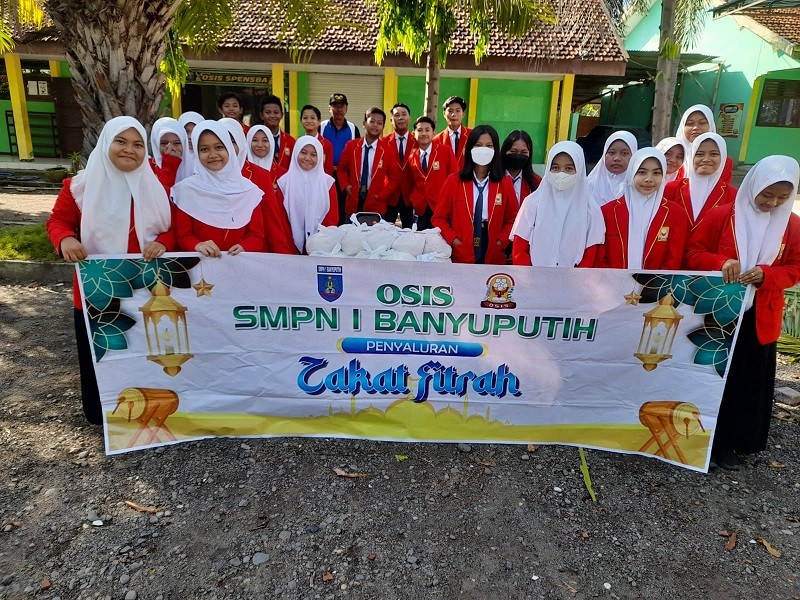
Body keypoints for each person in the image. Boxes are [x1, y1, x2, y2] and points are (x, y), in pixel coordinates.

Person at [46, 116, 173, 425]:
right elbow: (58, 221)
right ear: (106, 143)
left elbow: (173, 228)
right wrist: (65, 239)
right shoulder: (79, 187)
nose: (129, 149)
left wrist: (164, 243)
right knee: (101, 351)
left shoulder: (155, 186)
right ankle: (104, 415)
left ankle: (146, 411)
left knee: (145, 349)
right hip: (98, 291)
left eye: (138, 144)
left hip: (146, 287)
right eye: (121, 141)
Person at [685, 155, 800, 469]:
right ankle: (701, 438)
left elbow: (795, 268)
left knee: (746, 381)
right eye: (767, 194)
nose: (771, 203)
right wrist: (720, 262)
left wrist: (767, 275)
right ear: (753, 186)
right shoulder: (723, 216)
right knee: (712, 375)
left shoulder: (790, 225)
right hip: (719, 311)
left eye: (781, 197)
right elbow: (693, 253)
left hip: (759, 315)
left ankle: (731, 443)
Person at [172, 120, 265, 256]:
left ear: (229, 149)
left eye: (219, 147)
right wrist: (197, 245)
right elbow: (183, 236)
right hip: (202, 265)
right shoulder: (186, 190)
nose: (212, 154)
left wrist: (245, 246)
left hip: (240, 264)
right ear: (197, 153)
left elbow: (257, 236)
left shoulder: (249, 191)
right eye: (204, 149)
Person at [432, 125, 518, 264]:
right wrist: (454, 240)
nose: (484, 150)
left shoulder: (505, 183)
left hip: (492, 246)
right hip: (462, 245)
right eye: (478, 145)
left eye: (489, 146)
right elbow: (439, 218)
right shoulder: (454, 181)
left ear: (495, 150)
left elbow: (513, 219)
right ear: (470, 148)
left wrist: (501, 242)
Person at [511, 141, 604, 267]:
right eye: (555, 168)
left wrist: (576, 277)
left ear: (580, 171)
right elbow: (519, 249)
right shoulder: (532, 203)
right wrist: (531, 275)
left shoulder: (591, 210)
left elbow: (592, 253)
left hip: (575, 277)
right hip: (534, 275)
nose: (561, 173)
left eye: (569, 168)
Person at [596, 148, 689, 270]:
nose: (649, 179)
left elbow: (674, 259)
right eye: (642, 172)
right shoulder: (607, 212)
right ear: (631, 173)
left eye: (656, 173)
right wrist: (615, 279)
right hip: (613, 280)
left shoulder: (676, 213)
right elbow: (600, 257)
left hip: (657, 281)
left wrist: (654, 281)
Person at [220, 119, 296, 255]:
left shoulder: (261, 175)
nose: (227, 146)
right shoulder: (200, 177)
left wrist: (283, 255)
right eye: (220, 142)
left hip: (252, 249)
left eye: (232, 141)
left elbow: (272, 219)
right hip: (214, 252)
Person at [277, 136, 339, 253]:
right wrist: (289, 244)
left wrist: (318, 242)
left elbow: (331, 217)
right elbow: (281, 217)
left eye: (313, 155)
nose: (307, 158)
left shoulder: (327, 183)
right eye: (303, 153)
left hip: (320, 247)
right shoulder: (284, 182)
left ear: (319, 157)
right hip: (289, 246)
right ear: (296, 153)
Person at [663, 132, 737, 230]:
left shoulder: (732, 195)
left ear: (723, 157)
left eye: (714, 154)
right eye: (699, 154)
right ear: (692, 157)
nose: (706, 159)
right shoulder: (672, 188)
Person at [337, 107, 398, 218]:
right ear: (364, 124)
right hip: (354, 199)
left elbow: (394, 179)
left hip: (375, 202)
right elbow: (341, 169)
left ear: (383, 127)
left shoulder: (387, 150)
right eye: (372, 121)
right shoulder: (351, 146)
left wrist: (381, 195)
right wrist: (346, 186)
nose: (375, 125)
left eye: (379, 123)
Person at [406, 116, 458, 230]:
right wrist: (414, 198)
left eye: (427, 130)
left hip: (441, 207)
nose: (423, 133)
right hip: (421, 209)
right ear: (413, 134)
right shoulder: (412, 157)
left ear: (433, 133)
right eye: (420, 130)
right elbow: (410, 183)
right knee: (422, 238)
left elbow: (455, 177)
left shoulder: (445, 151)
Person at [321, 93, 361, 223]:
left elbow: (356, 153)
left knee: (344, 209)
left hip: (345, 176)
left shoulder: (353, 128)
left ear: (346, 109)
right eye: (335, 106)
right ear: (329, 108)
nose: (339, 110)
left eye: (341, 106)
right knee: (327, 206)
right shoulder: (321, 126)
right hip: (326, 175)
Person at [675, 104, 733, 184]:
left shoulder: (722, 160)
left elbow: (723, 187)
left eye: (702, 123)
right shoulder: (673, 156)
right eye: (690, 123)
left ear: (711, 125)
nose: (695, 128)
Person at [382, 102, 418, 228]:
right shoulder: (383, 142)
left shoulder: (418, 142)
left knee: (410, 232)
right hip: (390, 196)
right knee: (386, 231)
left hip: (410, 196)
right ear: (391, 120)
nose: (401, 118)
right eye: (397, 115)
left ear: (410, 118)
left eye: (404, 114)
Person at [587, 131, 638, 206]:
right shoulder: (588, 186)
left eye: (624, 153)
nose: (617, 158)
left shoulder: (640, 187)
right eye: (612, 153)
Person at [501, 130, 541, 207]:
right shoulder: (492, 178)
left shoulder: (536, 183)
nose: (518, 155)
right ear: (504, 151)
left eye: (524, 152)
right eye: (513, 151)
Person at [149, 117, 189, 189]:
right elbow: (162, 193)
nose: (171, 148)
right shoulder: (148, 168)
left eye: (176, 143)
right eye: (164, 143)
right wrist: (170, 163)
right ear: (156, 144)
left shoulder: (196, 168)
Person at [259, 94, 296, 172]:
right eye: (268, 112)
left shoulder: (291, 141)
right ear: (261, 115)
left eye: (276, 112)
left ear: (282, 115)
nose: (272, 116)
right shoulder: (255, 141)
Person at [433, 96, 471, 168]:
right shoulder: (436, 141)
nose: (454, 114)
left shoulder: (472, 135)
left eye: (458, 111)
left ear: (463, 114)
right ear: (444, 114)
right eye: (450, 111)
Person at [300, 104, 334, 176]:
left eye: (312, 118)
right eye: (305, 118)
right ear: (301, 121)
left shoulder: (327, 145)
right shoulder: (297, 143)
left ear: (319, 121)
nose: (309, 121)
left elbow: (328, 170)